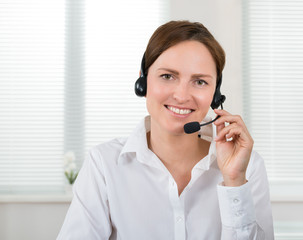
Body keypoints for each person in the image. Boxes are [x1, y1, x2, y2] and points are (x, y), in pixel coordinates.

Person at [57, 20, 274, 240]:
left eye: (199, 81)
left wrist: (235, 182)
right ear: (143, 80)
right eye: (167, 76)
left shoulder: (248, 167)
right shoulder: (104, 165)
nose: (182, 95)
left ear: (215, 94)